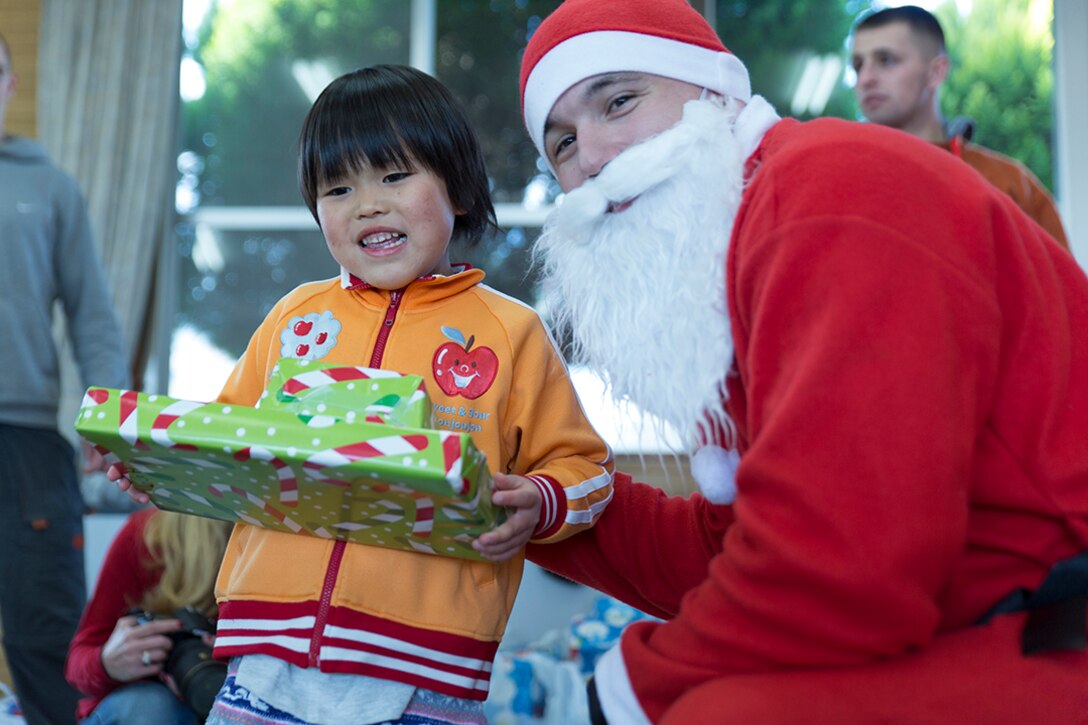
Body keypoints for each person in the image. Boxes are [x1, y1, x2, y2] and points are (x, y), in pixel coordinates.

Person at [515, 0, 1088, 722]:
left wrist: (621, 693)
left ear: (716, 94)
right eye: (561, 144)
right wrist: (530, 504)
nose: (593, 157)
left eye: (620, 101)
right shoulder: (738, 250)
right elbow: (736, 548)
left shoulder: (832, 194)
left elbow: (847, 571)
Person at [116, 64, 613, 725]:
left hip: (426, 674)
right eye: (338, 187)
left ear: (458, 188)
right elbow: (226, 442)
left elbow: (588, 471)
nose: (367, 203)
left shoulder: (511, 331)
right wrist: (162, 463)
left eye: (395, 175)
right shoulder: (294, 318)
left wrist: (542, 500)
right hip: (267, 659)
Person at [0, 30, 128, 725]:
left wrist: (104, 416)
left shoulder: (50, 187)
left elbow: (95, 318)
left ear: (9, 86)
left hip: (26, 443)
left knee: (45, 638)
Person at [850, 5, 1070, 249]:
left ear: (936, 72)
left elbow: (1061, 286)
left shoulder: (1009, 186)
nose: (865, 78)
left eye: (886, 60)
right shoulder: (846, 181)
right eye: (858, 65)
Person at [65, 510, 232, 724]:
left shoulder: (281, 543)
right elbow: (77, 664)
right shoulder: (150, 535)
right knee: (151, 707)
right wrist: (107, 662)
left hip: (241, 705)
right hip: (151, 705)